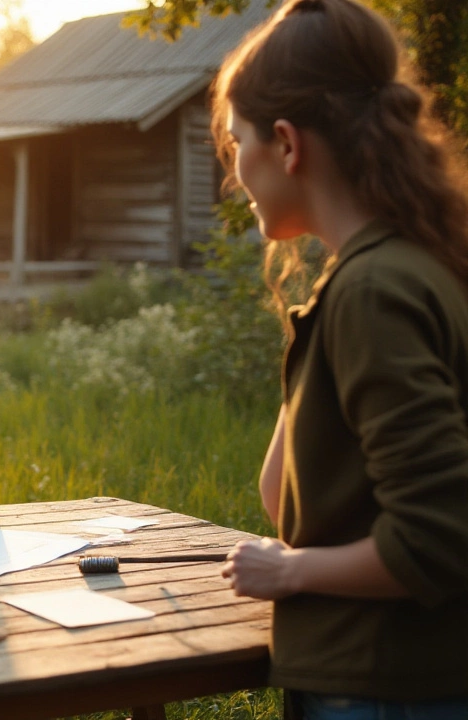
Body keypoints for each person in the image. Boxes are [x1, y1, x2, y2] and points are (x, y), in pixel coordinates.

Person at [212, 1, 468, 717]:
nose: (237, 175)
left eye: (238, 146)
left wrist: (288, 572)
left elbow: (437, 537)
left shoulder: (375, 291)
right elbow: (283, 496)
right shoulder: (397, 271)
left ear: (287, 145)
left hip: (388, 685)